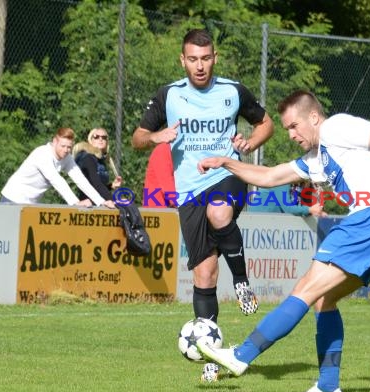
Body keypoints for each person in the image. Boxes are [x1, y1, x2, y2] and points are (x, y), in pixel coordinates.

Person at [195, 90, 370, 392]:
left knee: (305, 288)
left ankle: (240, 356)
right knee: (323, 299)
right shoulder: (317, 159)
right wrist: (227, 163)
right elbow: (270, 176)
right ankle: (328, 386)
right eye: (287, 128)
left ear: (313, 118)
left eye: (293, 126)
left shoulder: (335, 126)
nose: (290, 134)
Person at [131, 28, 274, 321]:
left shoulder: (233, 91)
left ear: (214, 58)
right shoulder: (168, 95)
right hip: (189, 190)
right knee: (204, 274)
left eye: (206, 58)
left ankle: (241, 281)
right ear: (182, 60)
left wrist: (251, 143)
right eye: (193, 59)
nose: (200, 65)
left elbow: (266, 124)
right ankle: (211, 354)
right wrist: (155, 137)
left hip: (226, 173)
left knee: (219, 213)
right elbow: (137, 138)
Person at [1, 127, 115, 208]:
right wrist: (76, 202)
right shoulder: (42, 154)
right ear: (55, 141)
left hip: (30, 204)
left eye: (69, 147)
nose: (66, 150)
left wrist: (101, 202)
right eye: (63, 146)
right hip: (12, 198)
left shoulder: (67, 157)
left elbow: (81, 180)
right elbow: (57, 181)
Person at [72, 128, 123, 202]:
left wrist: (111, 186)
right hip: (88, 205)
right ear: (90, 140)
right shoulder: (87, 157)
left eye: (104, 137)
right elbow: (96, 184)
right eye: (96, 137)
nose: (100, 139)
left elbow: (97, 187)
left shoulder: (100, 159)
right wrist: (113, 200)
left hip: (99, 202)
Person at [247, 183, 327, 216]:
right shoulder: (282, 182)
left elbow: (298, 211)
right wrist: (310, 210)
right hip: (257, 222)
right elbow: (288, 208)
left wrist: (317, 212)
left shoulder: (298, 187)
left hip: (273, 223)